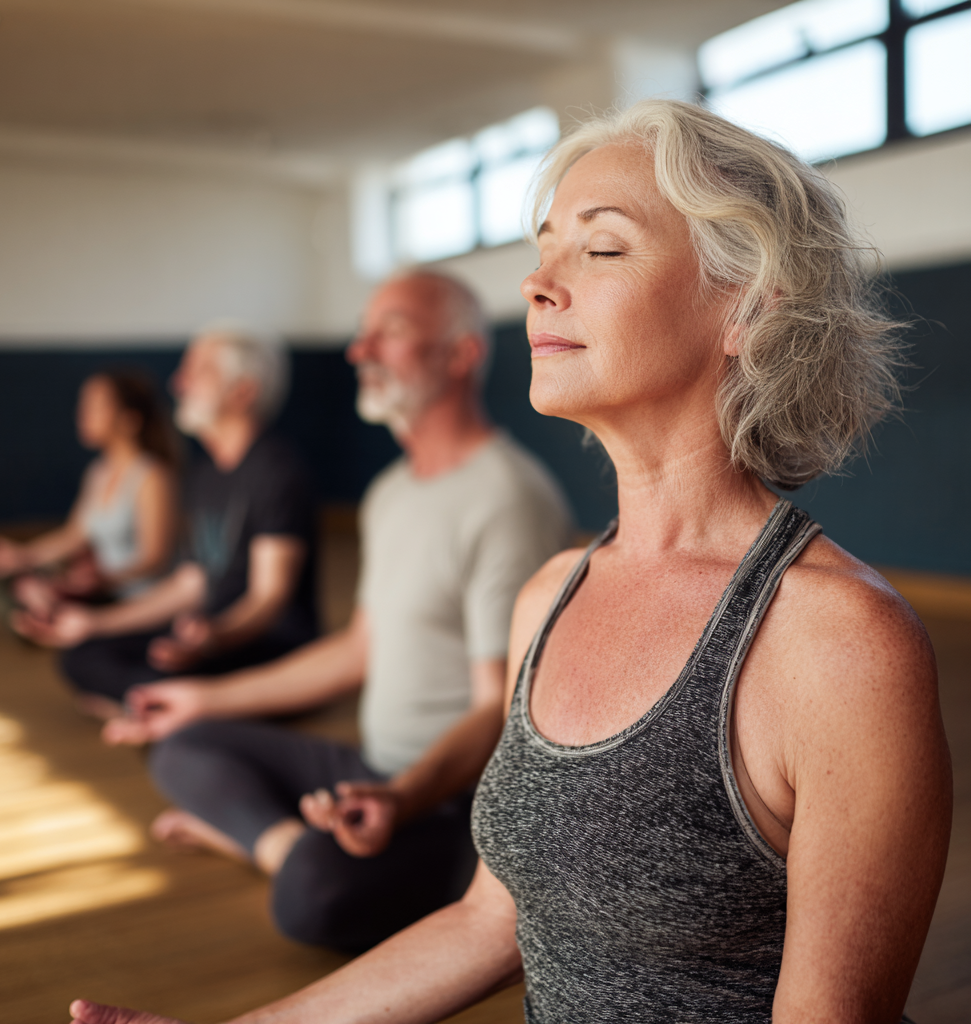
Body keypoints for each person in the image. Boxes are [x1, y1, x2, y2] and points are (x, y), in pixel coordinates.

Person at [70, 100, 952, 1024]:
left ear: (746, 308)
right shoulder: (552, 596)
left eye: (601, 249)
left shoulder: (838, 642)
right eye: (544, 247)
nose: (537, 281)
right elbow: (490, 924)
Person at [102, 271, 572, 953]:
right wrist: (201, 697)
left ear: (461, 354)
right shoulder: (389, 493)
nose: (360, 351)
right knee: (185, 742)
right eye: (361, 333)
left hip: (447, 804)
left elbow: (500, 709)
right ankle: (288, 841)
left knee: (308, 900)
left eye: (392, 332)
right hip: (373, 769)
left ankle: (271, 844)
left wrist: (403, 799)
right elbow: (358, 650)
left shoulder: (507, 497)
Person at [18, 329, 318, 720]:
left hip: (263, 646)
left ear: (243, 392)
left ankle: (191, 710)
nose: (179, 382)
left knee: (125, 671)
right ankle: (174, 711)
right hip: (205, 632)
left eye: (199, 371)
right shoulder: (205, 473)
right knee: (84, 653)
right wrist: (96, 622)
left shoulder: (276, 472)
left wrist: (214, 637)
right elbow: (188, 584)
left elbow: (269, 597)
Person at [0, 370, 179, 615]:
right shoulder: (98, 472)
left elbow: (155, 559)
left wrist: (103, 579)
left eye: (95, 406)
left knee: (32, 598)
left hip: (138, 600)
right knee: (7, 587)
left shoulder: (152, 476)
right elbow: (74, 535)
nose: (83, 414)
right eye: (83, 404)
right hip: (104, 589)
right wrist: (22, 556)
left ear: (129, 419)